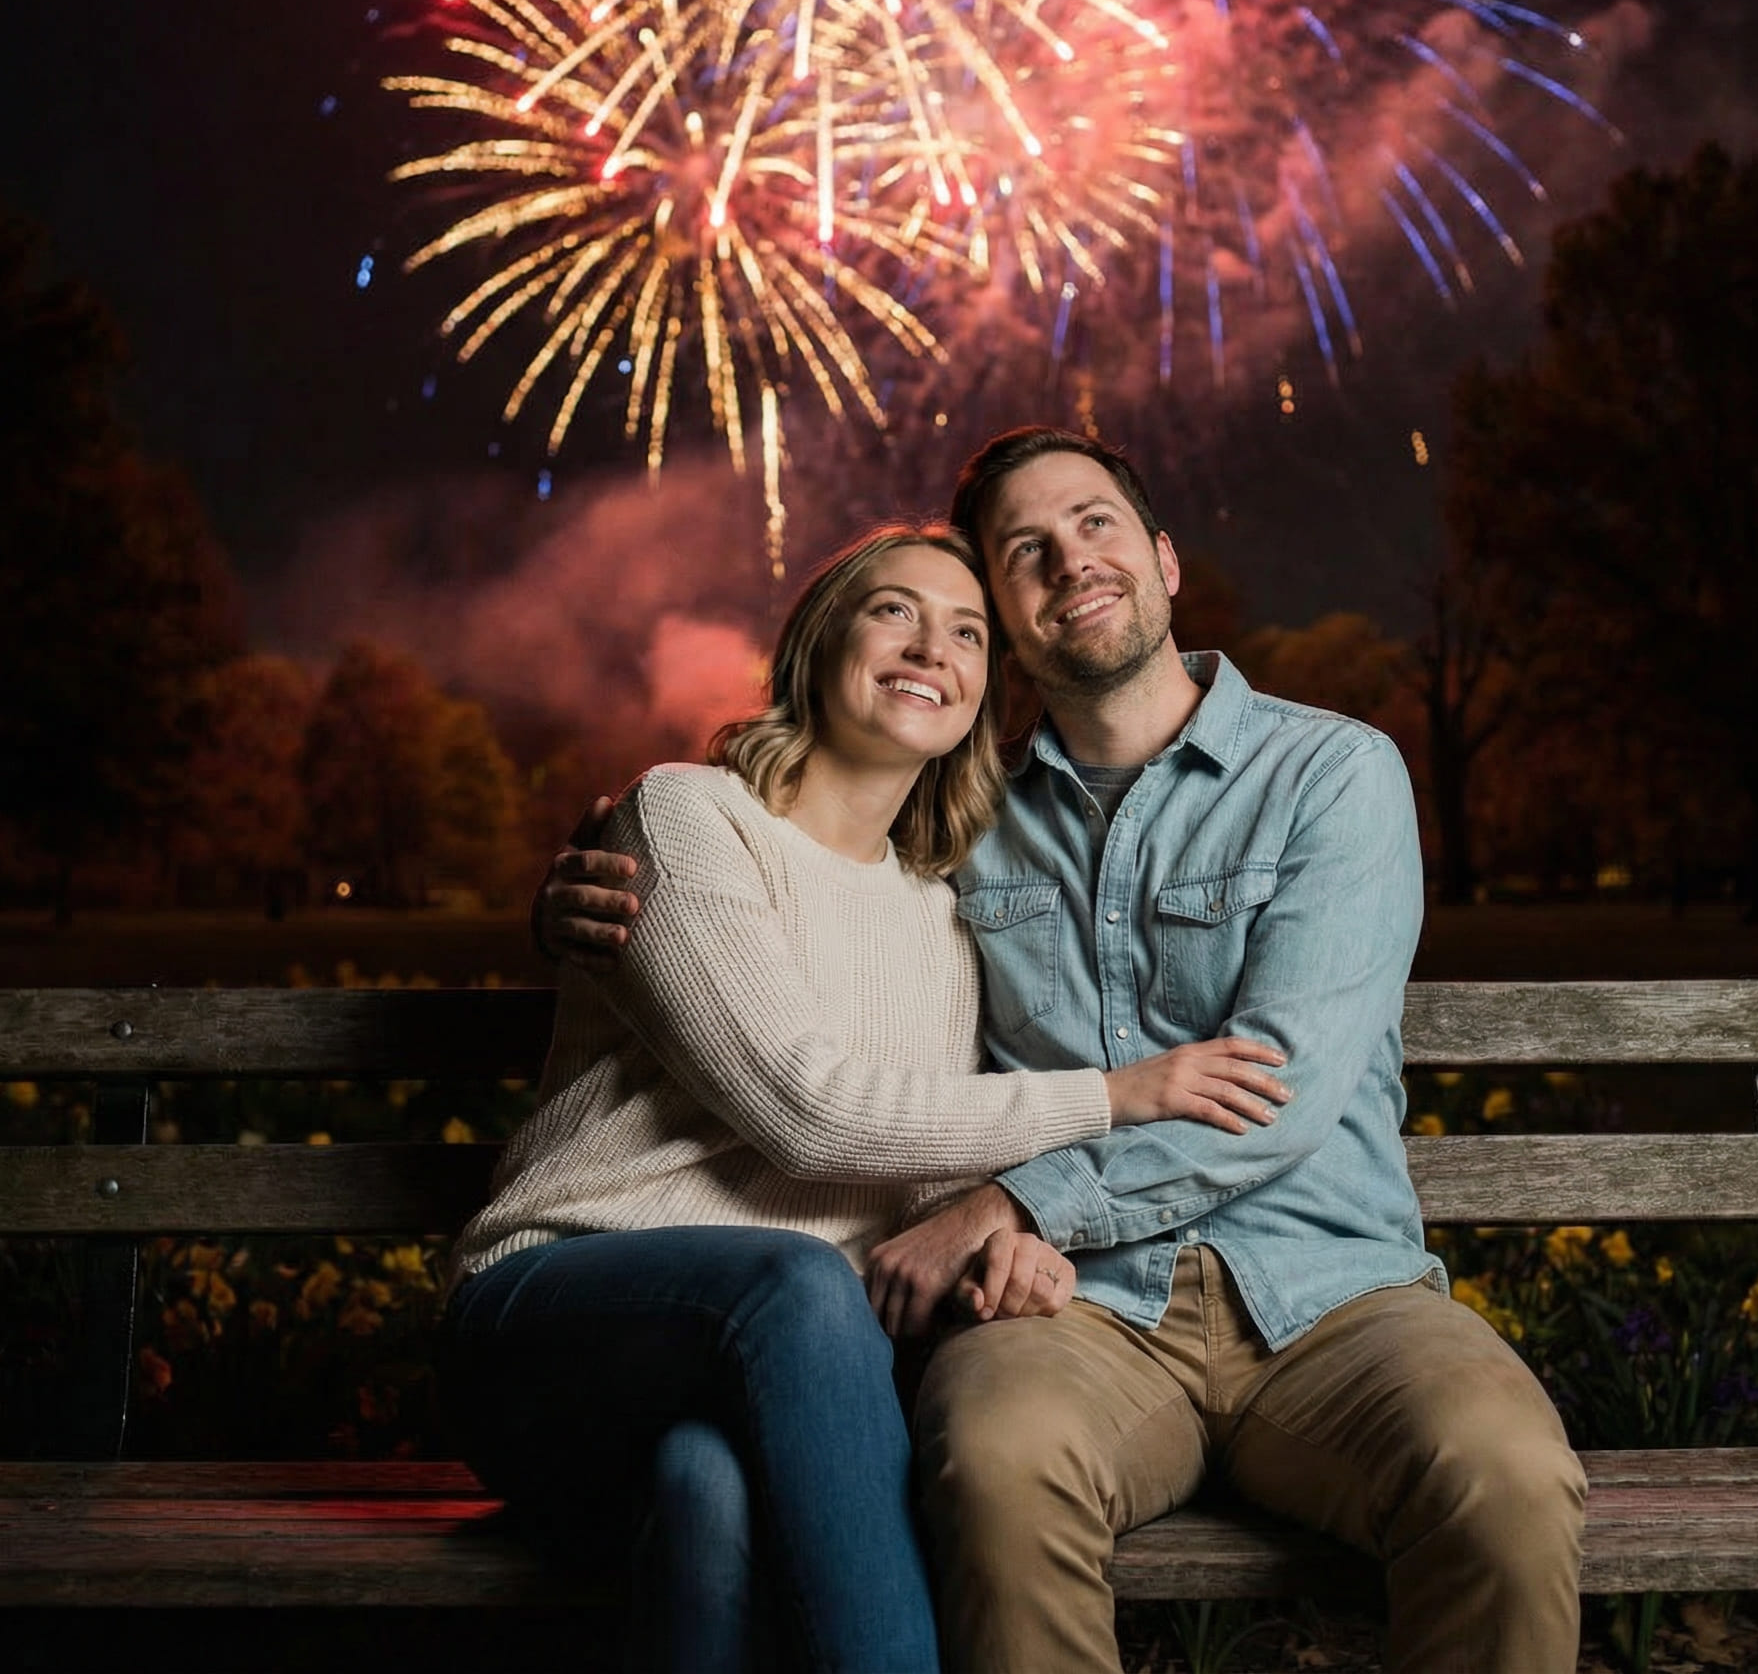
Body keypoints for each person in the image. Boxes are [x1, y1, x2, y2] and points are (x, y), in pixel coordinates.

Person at [542, 431, 1588, 1674]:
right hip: (1073, 1309)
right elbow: (813, 918)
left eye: (1094, 524)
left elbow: (1277, 1091)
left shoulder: (1330, 773)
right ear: (1008, 624)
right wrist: (591, 883)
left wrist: (1010, 1198)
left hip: (1331, 1294)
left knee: (1507, 1475)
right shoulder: (958, 820)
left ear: (1162, 558)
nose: (1068, 561)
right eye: (1023, 551)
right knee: (993, 1460)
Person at [444, 520, 1289, 1674]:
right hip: (553, 1333)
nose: (929, 647)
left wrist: (1014, 1222)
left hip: (753, 1375)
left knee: (709, 1491)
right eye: (894, 609)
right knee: (792, 1284)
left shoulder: (944, 918)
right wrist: (1113, 1094)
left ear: (990, 690)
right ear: (817, 640)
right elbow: (811, 1114)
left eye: (967, 632)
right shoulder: (689, 819)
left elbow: (920, 1162)